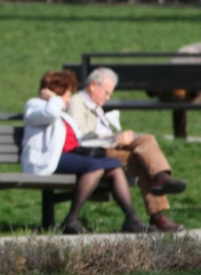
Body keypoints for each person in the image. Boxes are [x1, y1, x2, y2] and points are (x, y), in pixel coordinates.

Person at [21, 71, 149, 235]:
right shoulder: (35, 106)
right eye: (68, 94)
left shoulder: (63, 115)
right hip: (47, 159)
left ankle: (132, 219)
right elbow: (51, 113)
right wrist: (52, 97)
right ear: (57, 92)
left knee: (114, 166)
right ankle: (71, 219)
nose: (69, 99)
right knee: (95, 167)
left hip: (70, 156)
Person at [66, 68, 187, 232]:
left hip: (107, 148)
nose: (108, 98)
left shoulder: (96, 106)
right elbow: (79, 138)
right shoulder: (77, 103)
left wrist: (118, 138)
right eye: (106, 93)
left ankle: (160, 182)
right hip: (94, 154)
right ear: (93, 85)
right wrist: (115, 139)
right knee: (144, 156)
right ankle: (158, 207)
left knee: (146, 143)